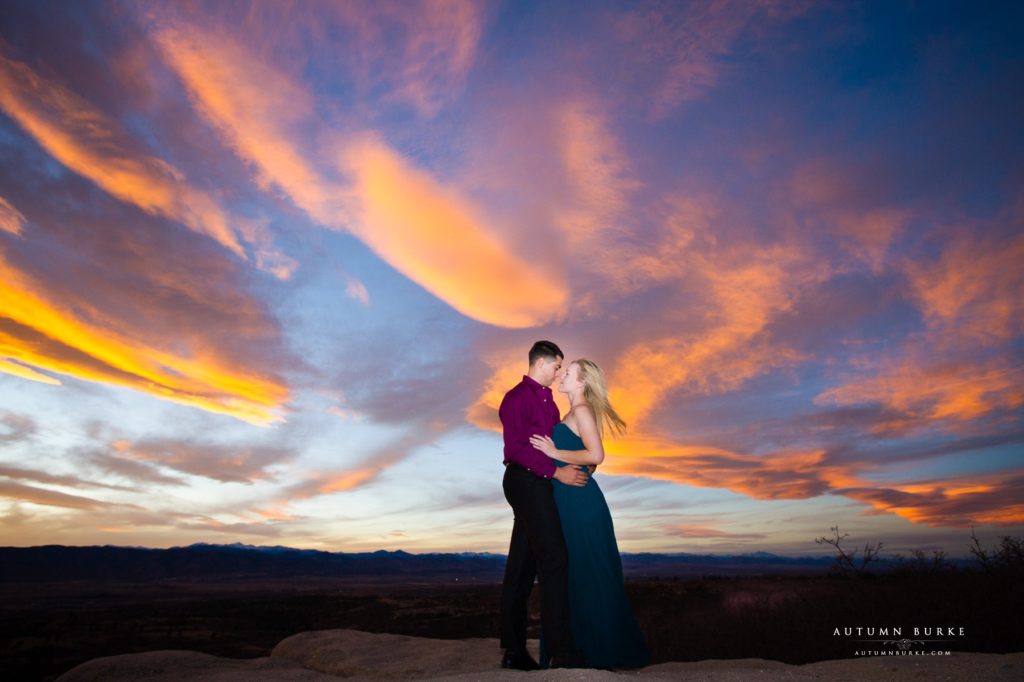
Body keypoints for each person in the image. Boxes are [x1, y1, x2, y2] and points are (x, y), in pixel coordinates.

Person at [530, 358, 651, 669]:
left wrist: (555, 453)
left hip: (580, 503)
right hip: (568, 499)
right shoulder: (569, 412)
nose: (562, 375)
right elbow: (587, 457)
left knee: (588, 572)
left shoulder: (582, 410)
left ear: (581, 382)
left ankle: (602, 652)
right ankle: (578, 649)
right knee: (572, 574)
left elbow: (597, 454)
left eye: (568, 373)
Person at [499, 340, 589, 671]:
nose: (558, 373)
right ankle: (562, 653)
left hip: (541, 484)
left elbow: (557, 445)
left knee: (522, 566)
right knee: (554, 559)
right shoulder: (516, 398)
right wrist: (555, 472)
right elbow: (516, 448)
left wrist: (576, 464)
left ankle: (513, 652)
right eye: (556, 367)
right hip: (523, 481)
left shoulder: (549, 403)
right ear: (541, 363)